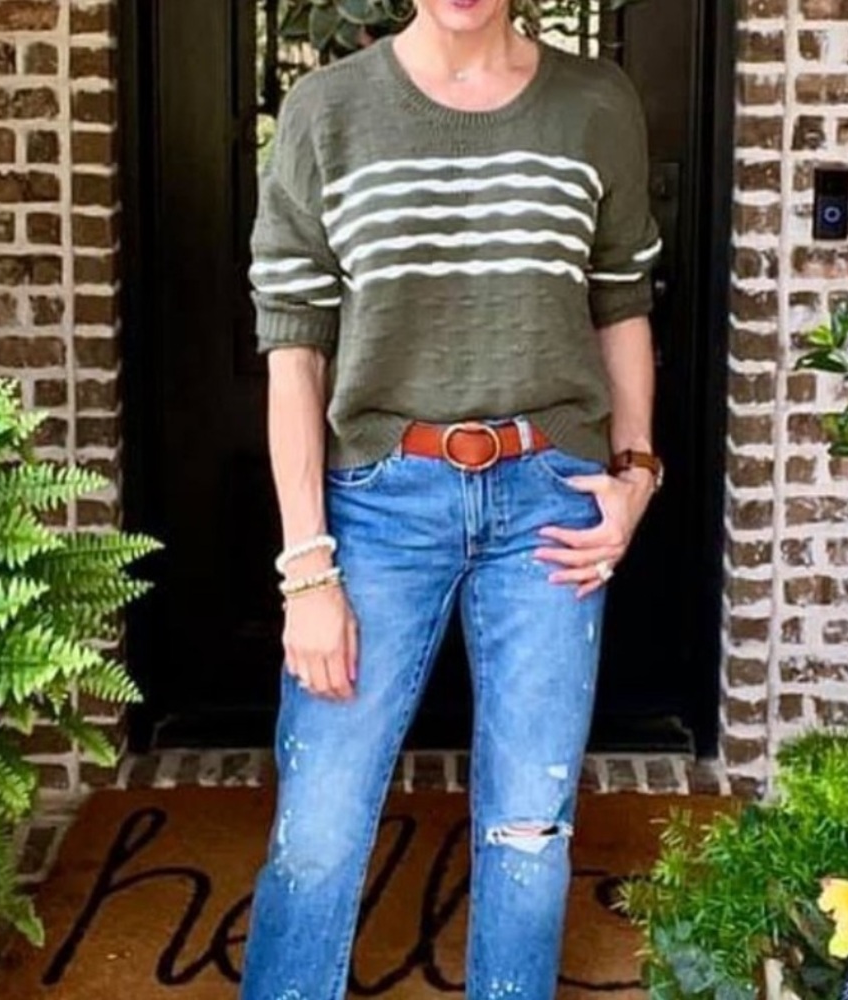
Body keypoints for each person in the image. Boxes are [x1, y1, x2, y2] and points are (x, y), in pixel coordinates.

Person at [238, 0, 665, 994]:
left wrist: (637, 475)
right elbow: (293, 351)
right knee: (318, 826)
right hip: (378, 507)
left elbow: (622, 303)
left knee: (530, 831)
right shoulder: (326, 111)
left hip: (550, 501)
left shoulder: (597, 104)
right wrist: (307, 569)